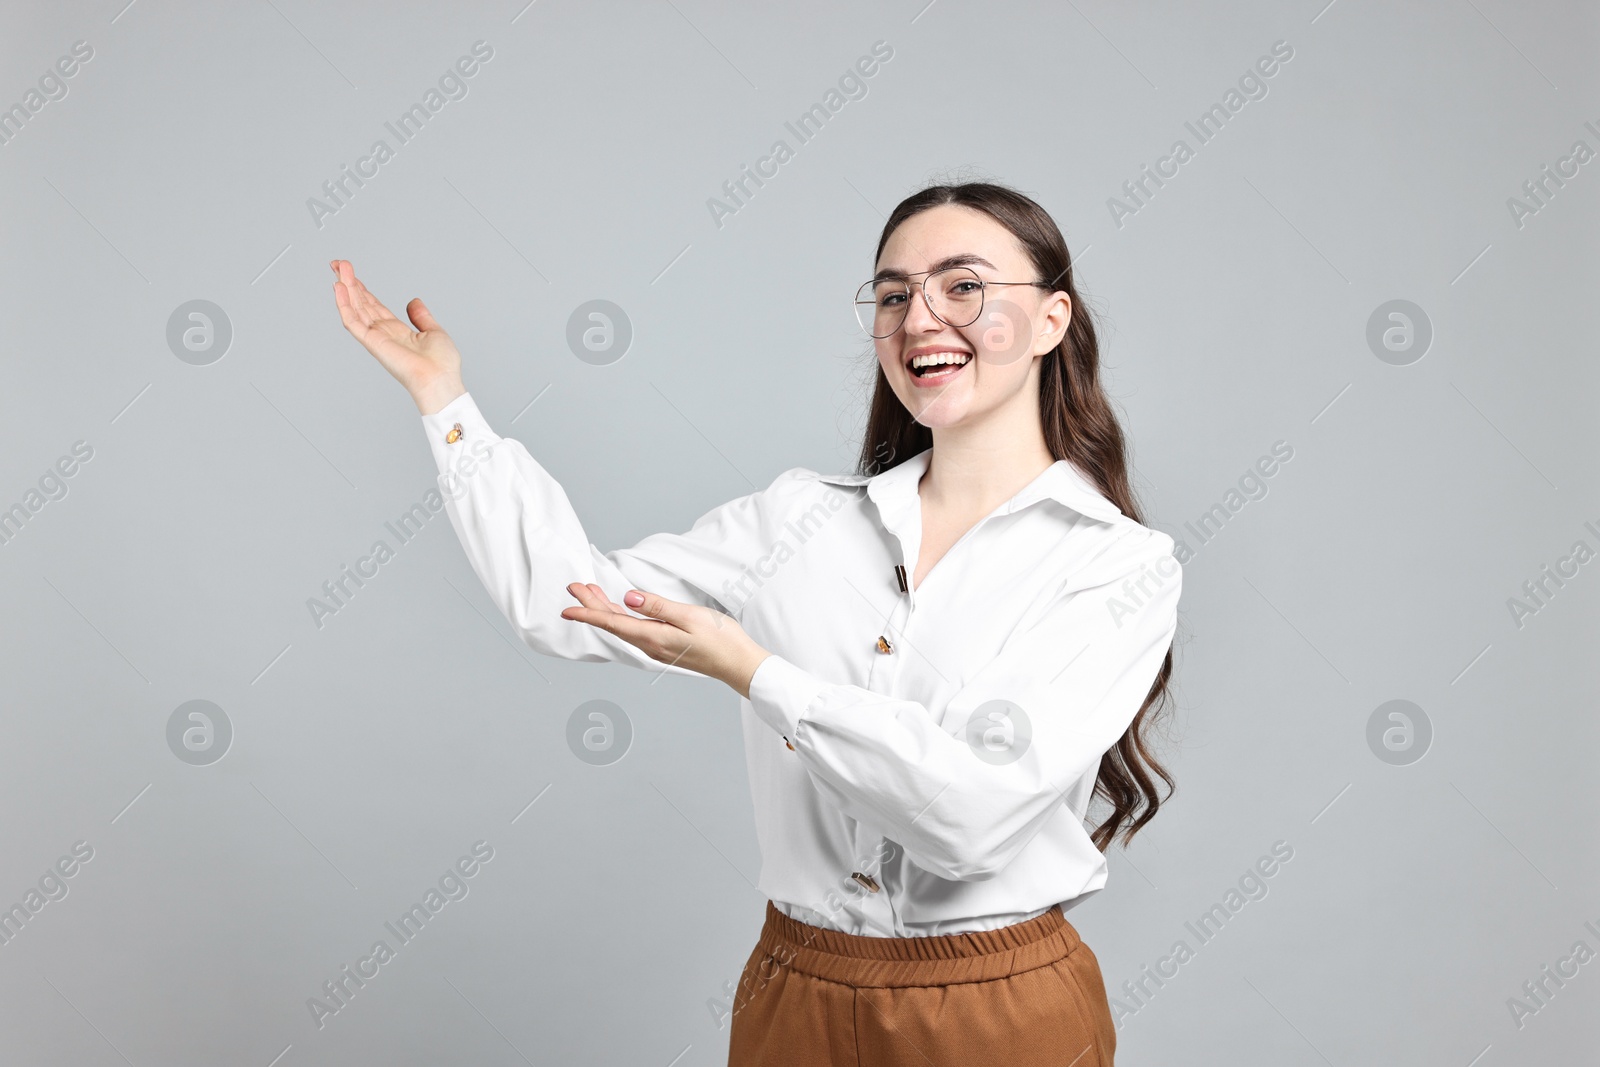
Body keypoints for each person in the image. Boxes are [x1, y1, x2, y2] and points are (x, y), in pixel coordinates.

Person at [331, 180, 1182, 1066]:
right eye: (894, 294)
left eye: (963, 286)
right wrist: (446, 402)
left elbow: (969, 814)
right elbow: (568, 602)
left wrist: (757, 672)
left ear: (1051, 320)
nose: (920, 315)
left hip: (998, 1014)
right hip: (793, 992)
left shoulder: (1115, 566)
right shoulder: (797, 520)